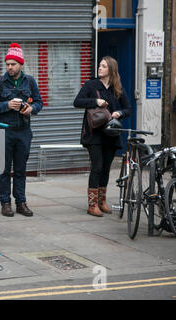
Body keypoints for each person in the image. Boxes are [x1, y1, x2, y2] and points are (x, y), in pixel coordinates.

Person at [0, 43, 43, 217]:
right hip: (4, 130)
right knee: (4, 169)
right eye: (8, 64)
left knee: (20, 168)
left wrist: (31, 109)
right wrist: (7, 105)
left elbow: (39, 102)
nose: (10, 67)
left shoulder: (30, 81)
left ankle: (21, 202)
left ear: (20, 64)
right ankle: (5, 202)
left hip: (24, 130)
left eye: (13, 64)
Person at [73, 56, 132, 217]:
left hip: (111, 134)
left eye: (103, 66)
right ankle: (92, 205)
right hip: (94, 134)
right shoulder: (91, 85)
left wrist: (119, 113)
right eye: (99, 65)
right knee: (97, 167)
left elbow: (128, 108)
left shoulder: (116, 87)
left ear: (111, 70)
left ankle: (101, 201)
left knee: (105, 168)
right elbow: (77, 102)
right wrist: (95, 101)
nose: (99, 68)